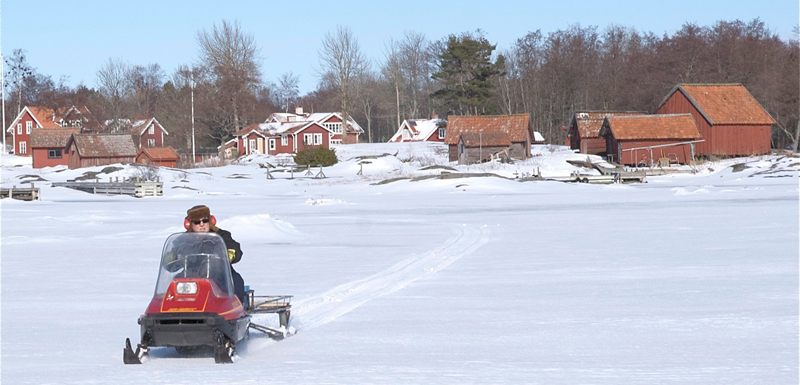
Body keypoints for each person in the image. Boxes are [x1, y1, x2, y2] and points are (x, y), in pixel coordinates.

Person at [185, 205, 247, 306]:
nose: (201, 224)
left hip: (220, 275)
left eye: (205, 221)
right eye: (197, 222)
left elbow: (233, 246)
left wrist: (230, 253)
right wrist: (172, 257)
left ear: (210, 221)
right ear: (190, 224)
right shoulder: (184, 240)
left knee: (236, 280)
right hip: (191, 277)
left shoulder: (221, 235)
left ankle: (235, 308)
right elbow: (176, 251)